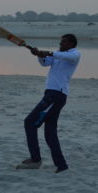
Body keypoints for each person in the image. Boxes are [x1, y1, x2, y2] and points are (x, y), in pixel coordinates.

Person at [17, 34, 80, 173]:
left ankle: (35, 159)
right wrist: (39, 54)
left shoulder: (74, 54)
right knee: (50, 133)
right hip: (51, 95)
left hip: (56, 95)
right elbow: (45, 62)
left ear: (71, 44)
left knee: (30, 122)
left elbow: (66, 57)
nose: (60, 44)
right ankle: (61, 165)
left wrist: (49, 52)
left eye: (63, 43)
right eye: (60, 42)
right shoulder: (58, 55)